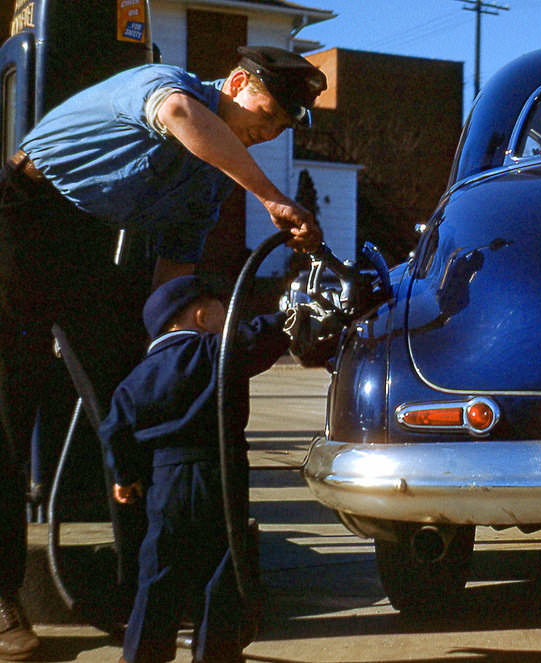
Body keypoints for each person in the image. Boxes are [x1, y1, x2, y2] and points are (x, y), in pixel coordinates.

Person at [0, 46, 325, 659]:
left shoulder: (207, 184)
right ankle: (1, 594)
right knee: (9, 409)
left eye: (284, 124)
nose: (273, 128)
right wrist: (272, 198)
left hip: (88, 244)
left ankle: (141, 594)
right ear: (234, 82)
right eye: (271, 110)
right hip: (22, 213)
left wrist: (168, 356)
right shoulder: (167, 85)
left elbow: (172, 280)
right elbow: (179, 114)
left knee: (130, 405)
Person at [101, 275, 289, 663]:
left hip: (164, 481)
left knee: (158, 571)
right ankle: (215, 654)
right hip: (220, 473)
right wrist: (289, 318)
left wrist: (124, 477)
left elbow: (116, 429)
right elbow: (259, 338)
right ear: (202, 315)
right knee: (221, 570)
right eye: (223, 309)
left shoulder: (137, 378)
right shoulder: (216, 351)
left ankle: (140, 654)